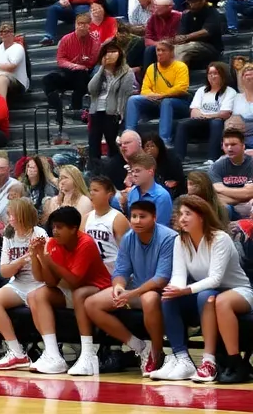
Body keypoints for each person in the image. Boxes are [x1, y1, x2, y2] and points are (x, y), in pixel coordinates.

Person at [155, 196, 253, 382]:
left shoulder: (220, 238)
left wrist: (184, 291)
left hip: (238, 291)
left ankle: (213, 362)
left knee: (209, 297)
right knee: (168, 298)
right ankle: (181, 359)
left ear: (201, 216)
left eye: (188, 214)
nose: (182, 218)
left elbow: (215, 279)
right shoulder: (180, 240)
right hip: (205, 290)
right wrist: (174, 289)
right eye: (180, 214)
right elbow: (178, 276)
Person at [82, 199, 174, 377]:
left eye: (143, 216)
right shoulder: (128, 238)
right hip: (135, 290)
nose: (137, 221)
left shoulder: (168, 238)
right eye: (134, 216)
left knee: (149, 298)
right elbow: (121, 271)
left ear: (154, 218)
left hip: (162, 293)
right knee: (91, 304)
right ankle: (139, 347)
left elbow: (161, 279)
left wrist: (130, 293)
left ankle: (157, 351)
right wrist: (118, 287)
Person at [24, 206, 111, 374]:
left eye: (60, 227)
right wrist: (38, 255)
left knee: (77, 293)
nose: (55, 231)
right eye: (54, 227)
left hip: (97, 289)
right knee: (35, 295)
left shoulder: (85, 243)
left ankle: (87, 354)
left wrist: (48, 260)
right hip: (74, 290)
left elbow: (74, 282)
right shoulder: (54, 243)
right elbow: (49, 281)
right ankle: (53, 354)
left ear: (73, 229)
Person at [0, 198, 49, 370]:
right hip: (19, 283)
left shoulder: (39, 234)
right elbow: (4, 272)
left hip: (39, 284)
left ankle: (50, 352)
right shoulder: (9, 235)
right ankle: (17, 353)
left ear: (22, 215)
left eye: (12, 215)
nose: (9, 218)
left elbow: (46, 270)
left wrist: (31, 256)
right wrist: (22, 259)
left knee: (35, 297)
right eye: (8, 215)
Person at [43, 13, 100, 142]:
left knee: (81, 76)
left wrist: (81, 64)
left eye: (84, 24)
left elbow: (93, 61)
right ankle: (54, 103)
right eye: (79, 24)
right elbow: (60, 60)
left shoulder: (94, 41)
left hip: (84, 74)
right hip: (68, 71)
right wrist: (74, 65)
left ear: (89, 26)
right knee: (48, 79)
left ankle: (76, 109)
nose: (81, 27)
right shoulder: (66, 39)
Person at [123, 40, 190, 147]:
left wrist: (162, 95)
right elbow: (144, 89)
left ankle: (164, 140)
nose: (159, 53)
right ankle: (129, 136)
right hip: (156, 101)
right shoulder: (151, 68)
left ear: (172, 53)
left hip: (178, 103)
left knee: (166, 102)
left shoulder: (181, 66)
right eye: (158, 50)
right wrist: (152, 95)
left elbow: (181, 88)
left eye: (163, 50)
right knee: (133, 99)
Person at [175, 62, 236, 161]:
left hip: (220, 126)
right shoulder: (201, 90)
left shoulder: (230, 92)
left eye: (215, 73)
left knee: (216, 122)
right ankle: (178, 159)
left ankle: (212, 159)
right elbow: (193, 112)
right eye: (210, 74)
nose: (212, 76)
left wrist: (206, 116)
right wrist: (204, 116)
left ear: (222, 75)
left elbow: (225, 114)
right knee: (183, 124)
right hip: (201, 123)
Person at [86, 40, 134, 165]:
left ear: (120, 53)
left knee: (113, 143)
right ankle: (94, 169)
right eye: (107, 52)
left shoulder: (126, 72)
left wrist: (120, 113)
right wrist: (102, 68)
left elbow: (125, 94)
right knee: (93, 142)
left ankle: (116, 168)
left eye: (113, 51)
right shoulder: (100, 70)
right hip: (96, 110)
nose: (110, 55)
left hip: (113, 112)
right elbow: (92, 89)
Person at [210, 127, 253, 218]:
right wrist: (243, 198)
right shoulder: (217, 166)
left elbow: (249, 193)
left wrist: (223, 191)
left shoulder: (251, 164)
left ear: (243, 146)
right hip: (230, 206)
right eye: (226, 145)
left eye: (233, 144)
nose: (229, 148)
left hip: (249, 207)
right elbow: (216, 194)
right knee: (222, 207)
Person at [0, 22, 29, 102]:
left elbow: (11, 68)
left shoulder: (18, 48)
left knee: (2, 79)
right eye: (1, 32)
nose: (3, 34)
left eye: (6, 31)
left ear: (12, 33)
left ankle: (0, 108)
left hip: (17, 81)